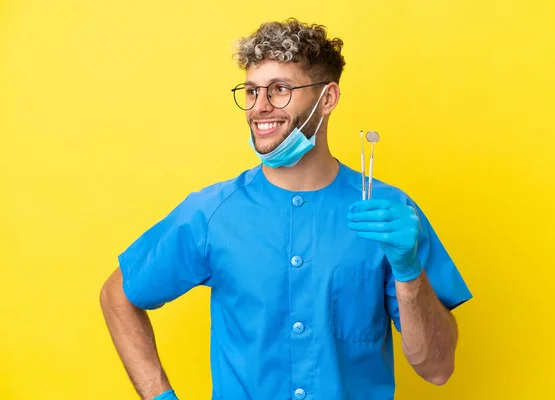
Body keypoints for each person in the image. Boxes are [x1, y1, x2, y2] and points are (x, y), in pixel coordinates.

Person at [99, 18, 472, 400]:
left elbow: (438, 369)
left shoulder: (387, 213)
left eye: (279, 90)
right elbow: (118, 296)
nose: (260, 108)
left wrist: (409, 274)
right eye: (251, 91)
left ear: (327, 98)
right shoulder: (212, 214)